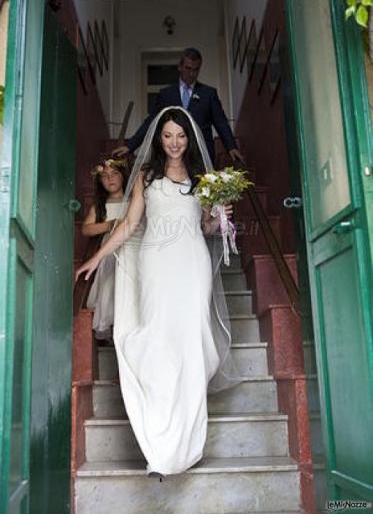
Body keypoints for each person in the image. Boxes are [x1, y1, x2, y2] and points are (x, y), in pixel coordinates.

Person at [76, 107, 243, 477]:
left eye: (180, 136)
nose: (174, 143)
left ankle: (184, 444)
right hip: (155, 265)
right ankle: (159, 443)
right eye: (167, 135)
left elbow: (208, 228)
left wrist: (219, 217)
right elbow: (130, 224)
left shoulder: (203, 178)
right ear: (158, 138)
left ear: (190, 138)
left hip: (192, 263)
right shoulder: (146, 176)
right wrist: (98, 259)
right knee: (157, 345)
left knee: (191, 347)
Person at [113, 47, 244, 165]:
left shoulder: (208, 94)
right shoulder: (166, 94)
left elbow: (220, 122)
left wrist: (231, 147)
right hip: (172, 154)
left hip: (201, 156)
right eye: (188, 68)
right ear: (180, 67)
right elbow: (152, 121)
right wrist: (130, 145)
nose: (191, 73)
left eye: (196, 69)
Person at [82, 158, 127, 343]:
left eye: (115, 174)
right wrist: (108, 225)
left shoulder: (134, 201)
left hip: (131, 248)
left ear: (123, 176)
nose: (110, 179)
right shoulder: (100, 206)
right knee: (110, 286)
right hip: (110, 252)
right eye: (105, 176)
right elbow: (86, 229)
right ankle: (112, 326)